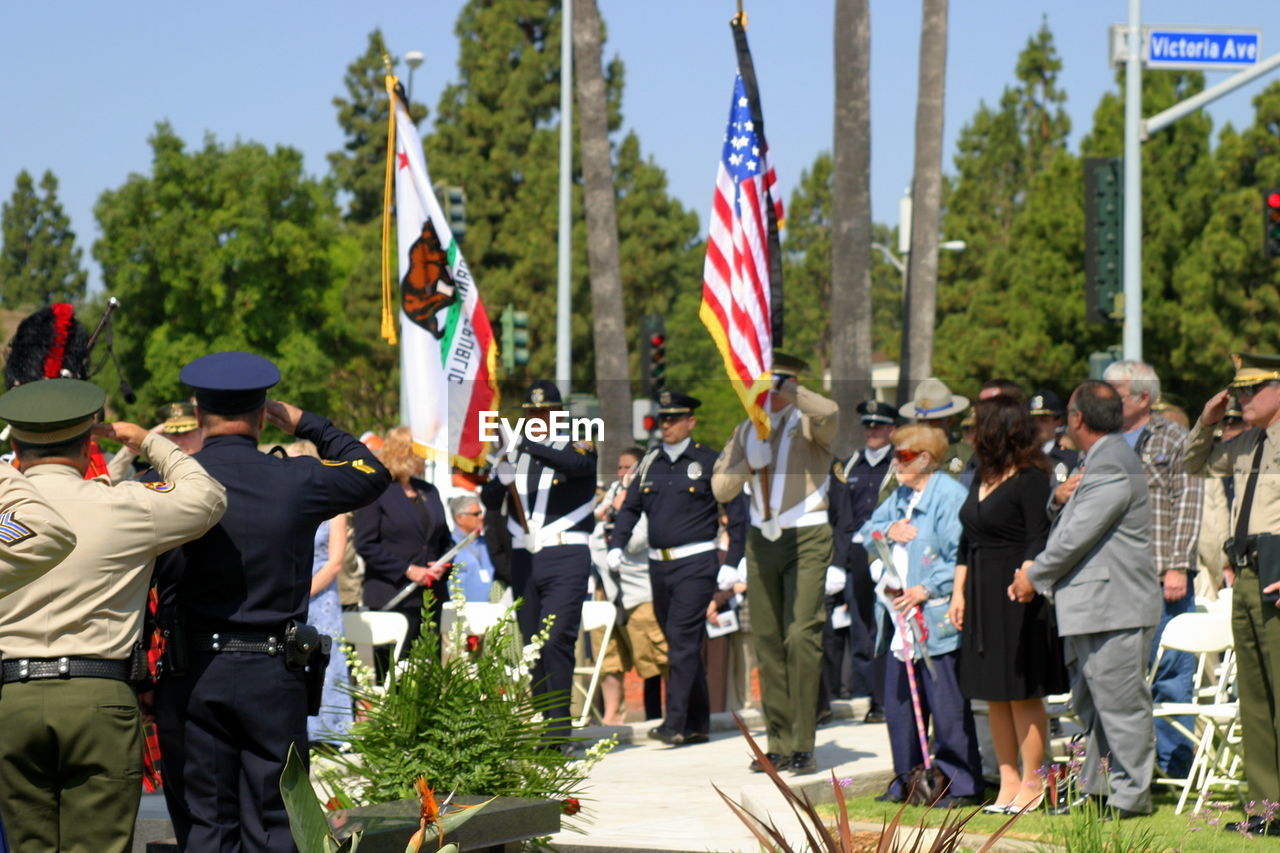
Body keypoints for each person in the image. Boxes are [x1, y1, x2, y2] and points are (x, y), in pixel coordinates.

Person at [155, 351, 390, 853]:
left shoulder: (172, 485)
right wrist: (307, 421)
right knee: (275, 824)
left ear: (197, 414)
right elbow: (372, 471)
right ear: (265, 414)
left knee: (206, 827)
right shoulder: (295, 479)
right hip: (272, 674)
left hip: (195, 672)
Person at [0, 378, 226, 852]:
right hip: (98, 696)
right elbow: (208, 498)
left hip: (12, 698)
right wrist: (147, 441)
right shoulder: (126, 504)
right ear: (89, 444)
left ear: (16, 450)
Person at [1018, 380, 1158, 819]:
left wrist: (1033, 575)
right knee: (1093, 707)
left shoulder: (1113, 460)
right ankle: (1100, 790)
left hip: (1112, 606)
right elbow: (1075, 522)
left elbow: (1079, 536)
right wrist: (1057, 500)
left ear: (1077, 418)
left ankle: (1130, 798)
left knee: (1121, 708)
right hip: (1093, 606)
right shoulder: (1098, 459)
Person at [712, 352, 838, 775]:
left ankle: (804, 742)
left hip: (806, 533)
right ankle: (778, 744)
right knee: (767, 641)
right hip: (762, 540)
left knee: (801, 635)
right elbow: (721, 487)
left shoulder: (807, 423)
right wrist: (750, 461)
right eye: (763, 383)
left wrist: (791, 390)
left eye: (777, 383)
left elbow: (830, 411)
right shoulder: (747, 430)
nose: (769, 392)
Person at [950, 395, 1068, 813]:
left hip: (1017, 588)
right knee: (991, 693)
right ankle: (1007, 781)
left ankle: (1034, 783)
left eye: (980, 424)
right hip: (980, 590)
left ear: (1001, 429)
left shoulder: (1032, 476)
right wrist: (958, 593)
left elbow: (1039, 535)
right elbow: (967, 540)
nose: (973, 433)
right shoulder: (981, 473)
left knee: (1021, 690)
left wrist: (1028, 577)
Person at [610, 391, 744, 746]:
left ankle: (675, 723)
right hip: (658, 566)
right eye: (663, 419)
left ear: (690, 422)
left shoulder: (708, 460)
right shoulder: (650, 463)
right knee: (680, 641)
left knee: (682, 643)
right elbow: (630, 509)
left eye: (673, 419)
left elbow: (738, 512)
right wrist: (616, 545)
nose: (666, 424)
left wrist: (733, 561)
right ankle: (699, 721)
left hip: (696, 564)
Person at [859, 424, 982, 807]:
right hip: (898, 621)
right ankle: (909, 781)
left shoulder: (949, 497)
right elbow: (866, 532)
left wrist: (925, 588)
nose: (895, 461)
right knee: (899, 711)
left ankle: (959, 785)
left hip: (935, 620)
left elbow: (960, 555)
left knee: (947, 710)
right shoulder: (898, 497)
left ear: (926, 458)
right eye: (895, 455)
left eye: (903, 456)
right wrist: (887, 530)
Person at [1184, 353, 1280, 836]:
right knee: (1255, 698)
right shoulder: (1245, 444)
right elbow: (1191, 462)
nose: (1242, 399)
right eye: (1237, 391)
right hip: (1244, 572)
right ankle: (1269, 810)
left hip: (1277, 568)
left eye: (1252, 390)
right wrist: (1207, 419)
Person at [1104, 360, 1203, 781]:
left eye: (1115, 394)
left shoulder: (1173, 437)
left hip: (1164, 577)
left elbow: (1190, 501)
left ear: (1143, 398)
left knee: (1171, 677)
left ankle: (1174, 766)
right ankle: (1127, 766)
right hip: (1114, 579)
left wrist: (1178, 566)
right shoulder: (1102, 441)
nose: (1105, 402)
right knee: (1121, 679)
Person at [480, 380, 596, 739]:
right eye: (531, 414)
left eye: (544, 412)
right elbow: (488, 500)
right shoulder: (512, 454)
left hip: (565, 553)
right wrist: (501, 476)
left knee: (556, 638)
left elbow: (576, 466)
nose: (537, 418)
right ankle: (545, 724)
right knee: (532, 643)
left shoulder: (579, 441)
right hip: (525, 556)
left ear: (558, 414)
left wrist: (526, 444)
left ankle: (558, 732)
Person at [826, 398, 897, 723]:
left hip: (887, 552)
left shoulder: (897, 465)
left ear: (892, 429)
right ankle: (870, 698)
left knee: (887, 625)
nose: (872, 431)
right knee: (861, 631)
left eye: (879, 426)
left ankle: (886, 699)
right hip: (856, 553)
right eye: (868, 426)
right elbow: (840, 519)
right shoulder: (849, 465)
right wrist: (837, 563)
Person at [355, 425, 453, 654]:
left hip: (431, 596)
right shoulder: (377, 491)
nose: (427, 457)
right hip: (393, 595)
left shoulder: (429, 491)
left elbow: (445, 539)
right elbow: (365, 543)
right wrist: (407, 569)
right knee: (394, 675)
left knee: (429, 671)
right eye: (421, 451)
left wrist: (442, 565)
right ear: (405, 452)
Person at [590, 447, 666, 725]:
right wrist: (613, 508)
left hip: (638, 591)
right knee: (609, 660)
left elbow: (637, 541)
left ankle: (658, 715)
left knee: (654, 658)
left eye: (628, 468)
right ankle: (613, 715)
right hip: (607, 590)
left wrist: (624, 510)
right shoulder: (612, 495)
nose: (622, 473)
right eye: (620, 468)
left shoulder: (649, 494)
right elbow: (592, 531)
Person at [286, 441, 354, 747]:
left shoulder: (332, 505)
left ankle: (329, 733)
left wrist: (304, 591)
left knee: (326, 662)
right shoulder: (282, 503)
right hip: (288, 594)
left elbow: (335, 561)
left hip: (321, 596)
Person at [902, 377, 971, 478]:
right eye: (921, 420)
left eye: (934, 420)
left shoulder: (966, 455)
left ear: (948, 420)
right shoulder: (906, 456)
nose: (926, 426)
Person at [448, 494, 498, 602]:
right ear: (460, 518)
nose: (481, 517)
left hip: (490, 609)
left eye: (481, 513)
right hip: (461, 611)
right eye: (476, 514)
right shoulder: (448, 545)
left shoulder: (486, 542)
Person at [1028, 389, 1079, 484]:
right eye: (1032, 420)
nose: (1037, 425)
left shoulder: (1071, 459)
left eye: (1043, 420)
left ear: (1057, 421)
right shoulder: (1019, 456)